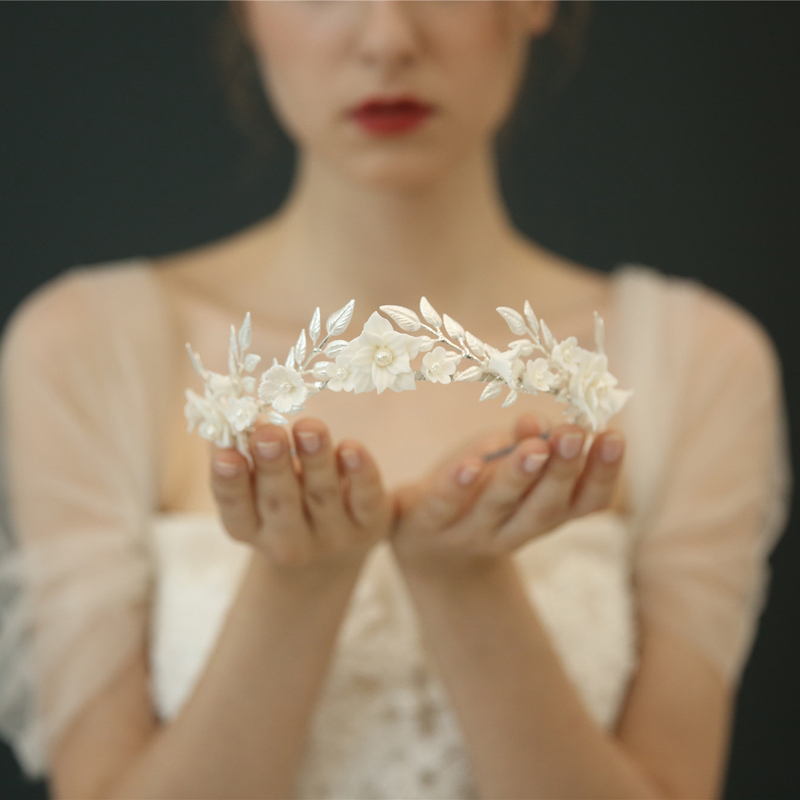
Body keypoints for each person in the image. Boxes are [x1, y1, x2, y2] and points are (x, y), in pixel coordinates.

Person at [0, 2, 791, 798]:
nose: (387, 40)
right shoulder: (87, 346)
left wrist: (467, 584)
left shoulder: (693, 359)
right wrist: (300, 581)